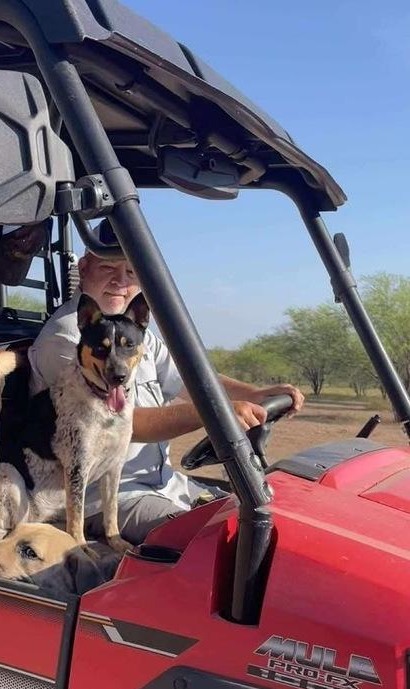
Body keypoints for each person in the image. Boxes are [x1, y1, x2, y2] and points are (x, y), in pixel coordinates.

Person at [27, 220, 305, 544]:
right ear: (84, 267)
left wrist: (256, 393)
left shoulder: (130, 335)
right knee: (218, 542)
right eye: (108, 268)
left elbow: (191, 379)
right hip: (105, 499)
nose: (120, 281)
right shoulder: (68, 340)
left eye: (131, 272)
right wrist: (216, 413)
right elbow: (127, 423)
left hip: (162, 482)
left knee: (269, 517)